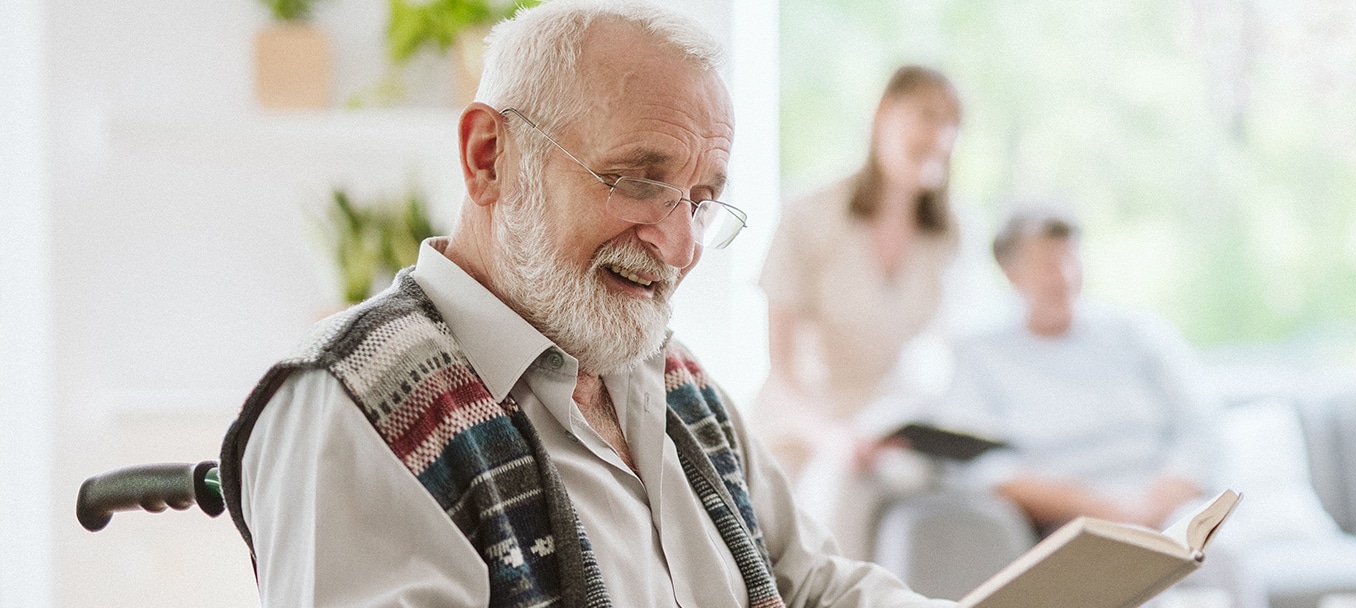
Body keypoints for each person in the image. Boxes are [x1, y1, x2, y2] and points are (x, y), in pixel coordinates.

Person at [215, 3, 952, 606]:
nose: (680, 244)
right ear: (488, 157)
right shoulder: (354, 404)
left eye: (701, 201)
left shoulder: (675, 379)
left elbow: (815, 585)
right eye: (638, 180)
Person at [754, 66, 964, 556]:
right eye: (928, 116)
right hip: (804, 426)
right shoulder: (808, 215)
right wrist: (833, 438)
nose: (942, 135)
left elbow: (940, 355)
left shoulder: (947, 235)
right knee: (835, 488)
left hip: (889, 430)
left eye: (953, 124)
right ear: (882, 114)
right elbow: (781, 372)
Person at [934, 209, 1216, 533]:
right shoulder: (980, 355)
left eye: (1071, 260)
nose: (1065, 277)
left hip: (1167, 504)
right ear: (1011, 271)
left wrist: (1158, 501)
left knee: (1218, 548)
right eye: (1048, 265)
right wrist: (1091, 506)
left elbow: (1200, 424)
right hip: (1068, 520)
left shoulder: (1137, 332)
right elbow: (979, 466)